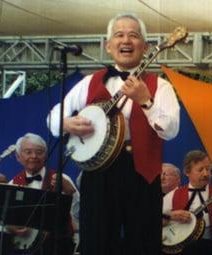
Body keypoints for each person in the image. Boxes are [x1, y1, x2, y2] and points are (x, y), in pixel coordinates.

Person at [47, 12, 180, 255]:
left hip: (141, 174)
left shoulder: (161, 86)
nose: (126, 40)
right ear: (108, 46)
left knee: (143, 245)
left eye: (133, 35)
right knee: (95, 244)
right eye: (119, 35)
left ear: (146, 46)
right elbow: (54, 115)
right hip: (97, 175)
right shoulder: (89, 82)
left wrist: (145, 101)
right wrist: (65, 124)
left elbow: (171, 130)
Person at [7, 133, 78, 254]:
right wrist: (9, 227)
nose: (34, 156)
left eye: (39, 152)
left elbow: (80, 213)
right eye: (28, 152)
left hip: (59, 246)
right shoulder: (12, 183)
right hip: (26, 247)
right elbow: (3, 219)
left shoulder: (61, 179)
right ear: (18, 157)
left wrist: (71, 193)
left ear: (45, 156)